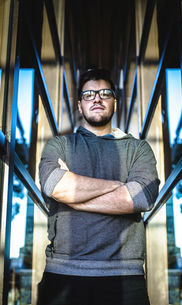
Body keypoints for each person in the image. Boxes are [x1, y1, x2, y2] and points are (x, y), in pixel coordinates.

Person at [38, 68, 160, 305]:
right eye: (88, 95)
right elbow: (55, 186)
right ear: (79, 105)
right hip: (63, 272)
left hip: (124, 275)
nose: (96, 98)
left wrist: (72, 196)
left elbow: (142, 197)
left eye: (105, 93)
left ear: (115, 102)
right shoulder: (60, 145)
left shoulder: (138, 149)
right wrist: (120, 186)